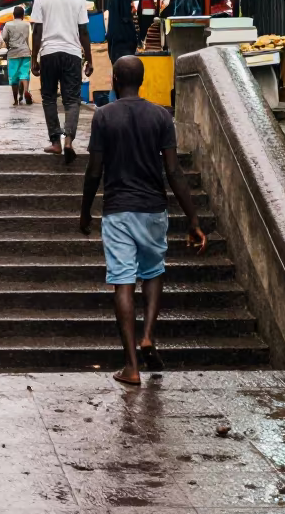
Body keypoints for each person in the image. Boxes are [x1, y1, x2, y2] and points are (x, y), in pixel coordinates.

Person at [80, 55, 205, 386]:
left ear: (116, 82)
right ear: (142, 79)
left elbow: (95, 170)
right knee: (153, 271)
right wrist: (193, 218)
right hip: (153, 209)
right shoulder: (161, 116)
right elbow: (174, 171)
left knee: (123, 281)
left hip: (118, 209)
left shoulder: (104, 116)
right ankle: (148, 334)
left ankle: (131, 366)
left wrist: (84, 212)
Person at [31, 0, 93, 163]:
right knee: (72, 99)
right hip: (72, 53)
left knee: (49, 98)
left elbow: (37, 31)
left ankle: (56, 142)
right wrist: (89, 59)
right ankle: (69, 141)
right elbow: (84, 31)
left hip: (49, 53)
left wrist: (34, 58)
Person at [108, 0, 139, 74]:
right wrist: (134, 36)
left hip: (112, 32)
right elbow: (126, 16)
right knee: (125, 68)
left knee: (116, 66)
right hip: (122, 35)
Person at [0, 6, 33, 106]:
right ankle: (26, 91)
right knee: (24, 74)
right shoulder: (27, 24)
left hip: (13, 53)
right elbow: (30, 38)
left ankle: (15, 100)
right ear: (23, 15)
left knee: (14, 78)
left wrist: (8, 43)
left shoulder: (8, 24)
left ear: (13, 15)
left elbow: (4, 37)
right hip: (26, 52)